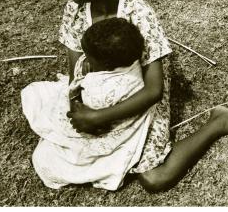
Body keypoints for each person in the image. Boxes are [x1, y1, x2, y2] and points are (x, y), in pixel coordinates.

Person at [57, 0, 228, 191]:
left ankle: (219, 122)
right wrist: (79, 107)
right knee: (73, 148)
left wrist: (100, 117)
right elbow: (75, 72)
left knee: (154, 178)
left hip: (139, 92)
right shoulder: (74, 11)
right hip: (99, 91)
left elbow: (154, 90)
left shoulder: (139, 14)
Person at [22, 18, 155, 190]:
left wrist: (84, 77)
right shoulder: (132, 66)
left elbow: (79, 102)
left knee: (44, 157)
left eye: (89, 57)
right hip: (108, 111)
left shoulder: (98, 91)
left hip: (98, 130)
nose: (85, 59)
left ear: (106, 64)